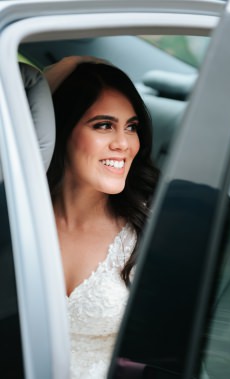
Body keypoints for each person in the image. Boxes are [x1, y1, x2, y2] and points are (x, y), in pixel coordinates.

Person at [46, 61, 158, 379]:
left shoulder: (149, 231)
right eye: (104, 125)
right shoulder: (16, 215)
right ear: (63, 129)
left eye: (132, 127)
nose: (123, 144)